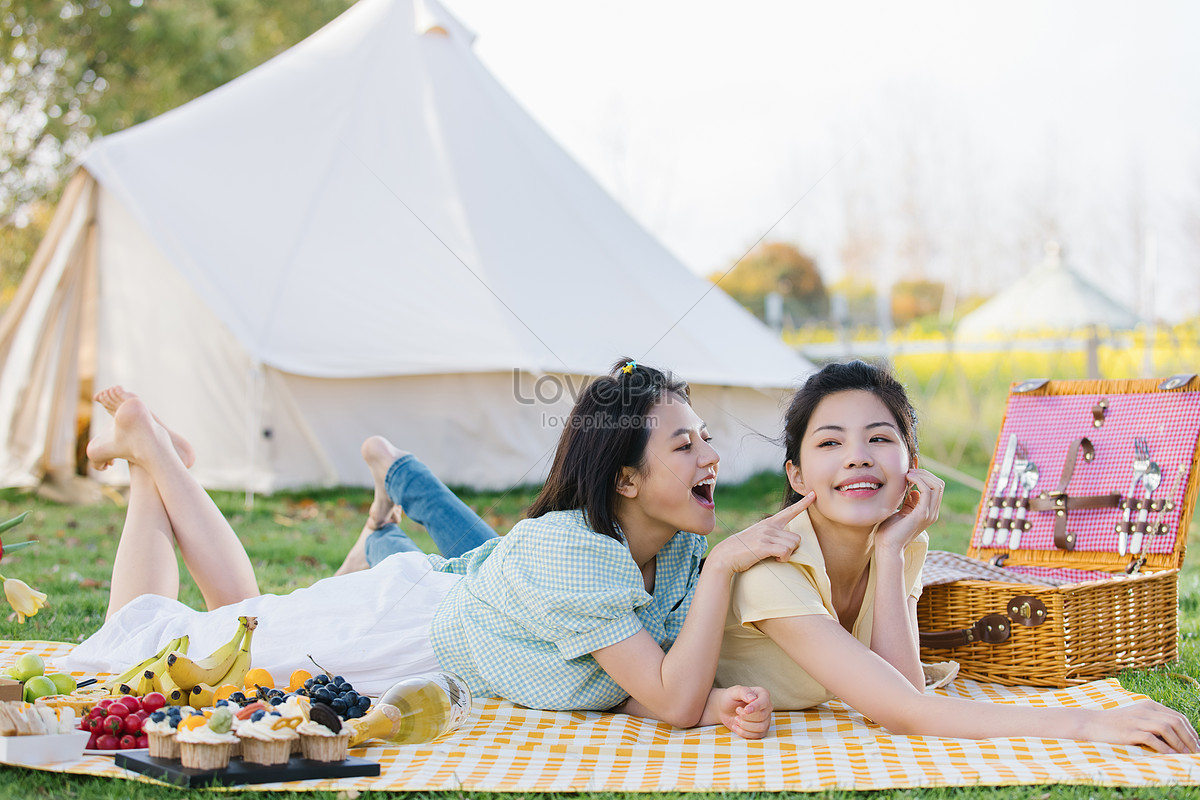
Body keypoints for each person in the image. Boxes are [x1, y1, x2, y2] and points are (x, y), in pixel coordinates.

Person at [66, 360, 807, 738]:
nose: (711, 455)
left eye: (705, 436)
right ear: (627, 479)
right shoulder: (576, 554)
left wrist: (710, 704)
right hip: (400, 634)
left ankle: (153, 454)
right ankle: (147, 457)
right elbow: (671, 699)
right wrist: (729, 575)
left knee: (241, 619)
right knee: (140, 640)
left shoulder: (674, 551)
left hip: (433, 616)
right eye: (686, 443)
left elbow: (652, 688)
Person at [714, 360, 1199, 753]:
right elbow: (904, 713)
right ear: (797, 476)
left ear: (912, 467)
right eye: (830, 442)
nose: (857, 456)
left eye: (880, 438)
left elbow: (904, 690)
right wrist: (1090, 724)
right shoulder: (771, 570)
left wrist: (889, 553)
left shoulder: (900, 542)